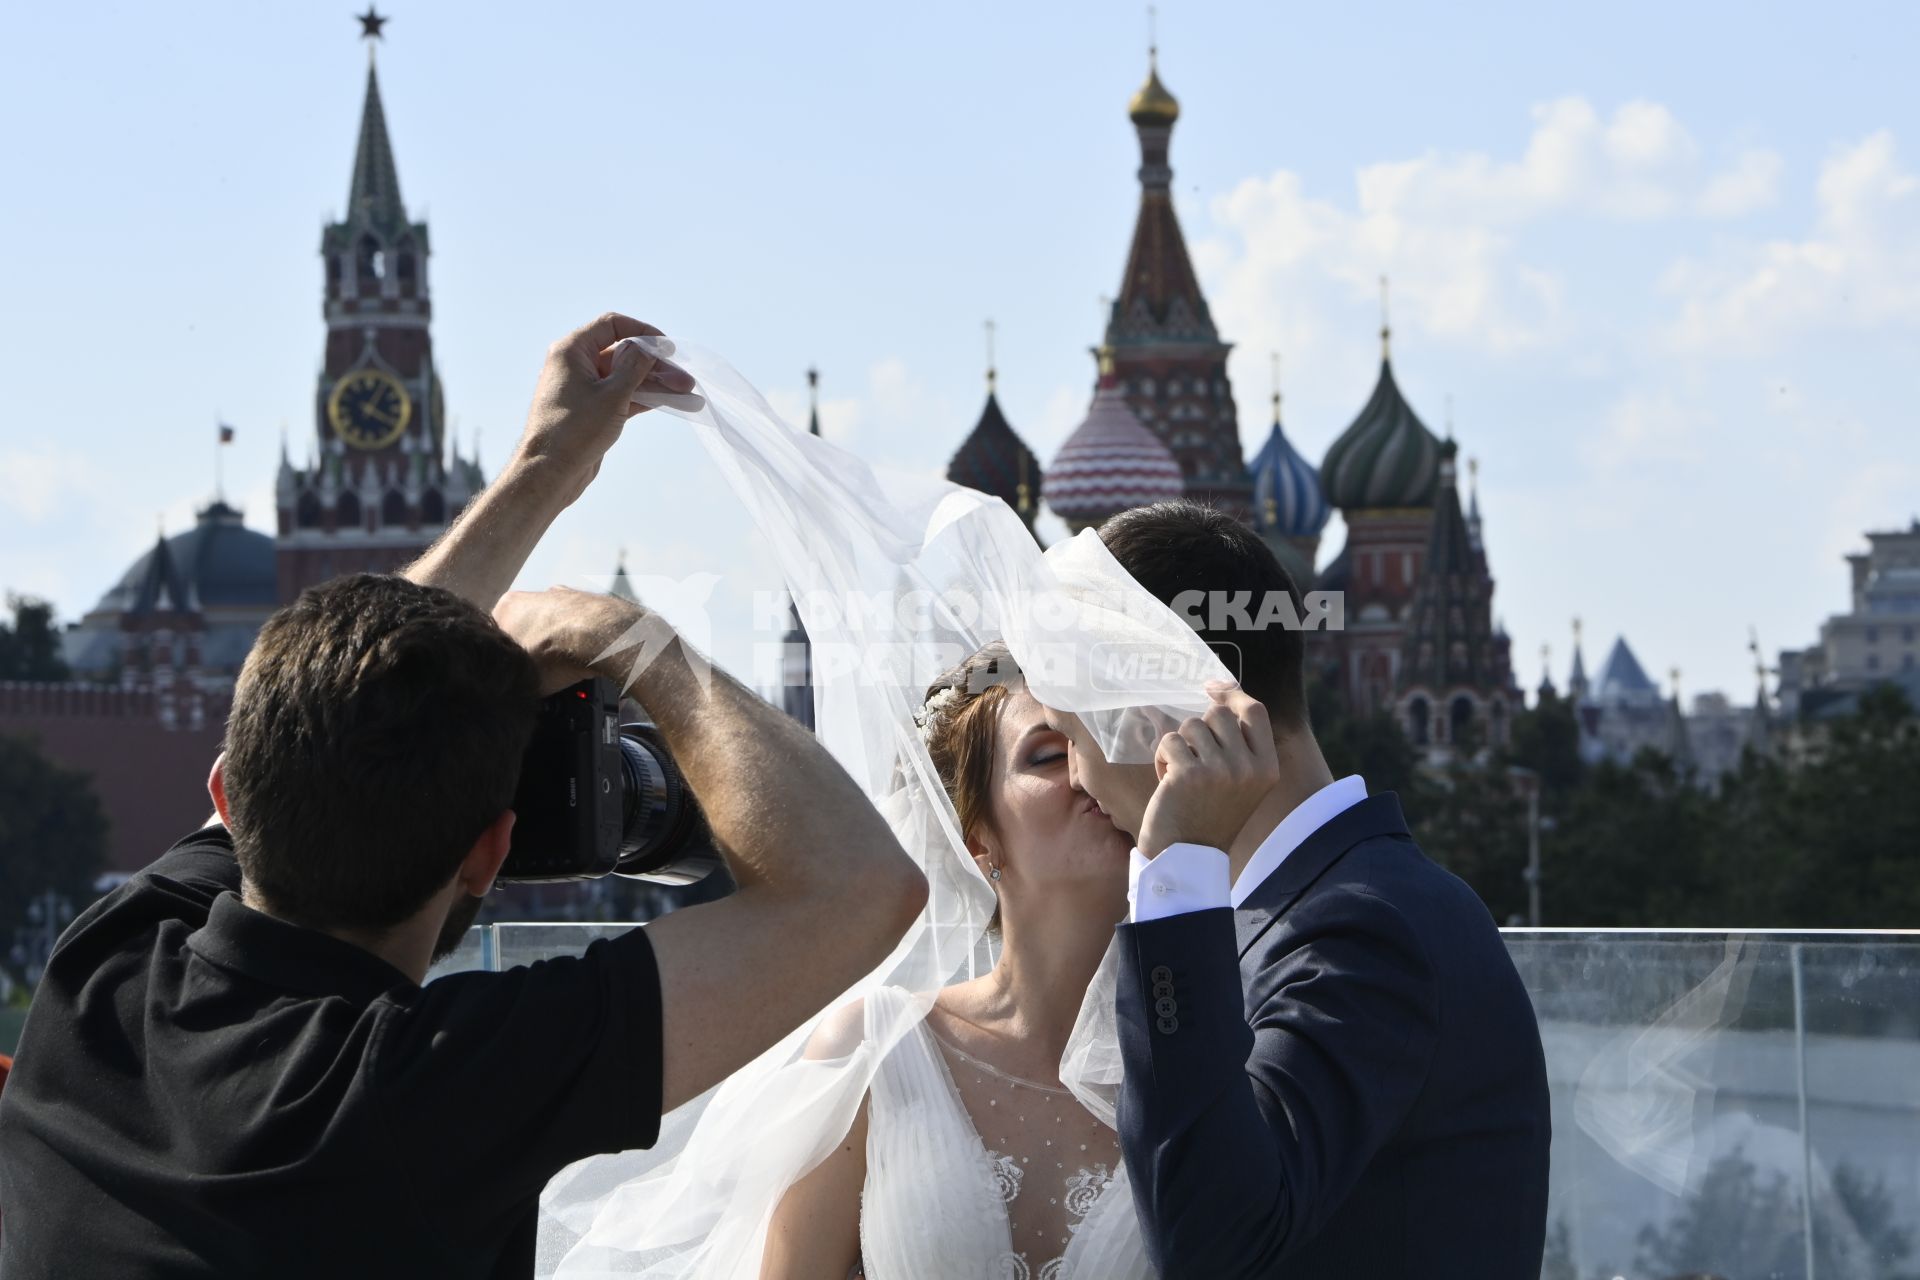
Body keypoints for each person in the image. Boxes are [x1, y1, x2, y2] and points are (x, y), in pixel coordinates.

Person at [0, 313, 927, 1278]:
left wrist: (541, 468)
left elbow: (325, 716)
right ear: (490, 854)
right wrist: (618, 633)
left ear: (228, 797)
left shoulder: (102, 973)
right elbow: (864, 890)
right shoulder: (421, 1089)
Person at [1043, 499, 1553, 1279]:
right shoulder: (1338, 902)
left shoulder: (1363, 930)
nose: (1076, 775)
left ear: (1152, 717)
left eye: (1073, 736)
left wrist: (1177, 869)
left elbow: (1213, 1238)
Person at [759, 645, 1151, 1280]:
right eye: (1051, 755)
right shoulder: (875, 1050)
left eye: (1107, 744)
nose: (1090, 773)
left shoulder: (1217, 1050)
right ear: (978, 838)